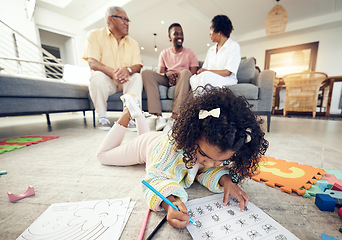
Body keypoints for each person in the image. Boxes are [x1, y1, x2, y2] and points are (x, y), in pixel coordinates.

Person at [97, 85, 269, 229]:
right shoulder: (169, 152)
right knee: (104, 156)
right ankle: (128, 113)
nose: (209, 164)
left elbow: (206, 170)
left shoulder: (212, 150)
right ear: (191, 136)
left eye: (220, 160)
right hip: (147, 145)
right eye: (203, 155)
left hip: (158, 140)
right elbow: (156, 178)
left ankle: (138, 113)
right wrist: (169, 203)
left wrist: (227, 181)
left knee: (209, 161)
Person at [83, 6, 143, 130]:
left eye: (128, 21)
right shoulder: (94, 35)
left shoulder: (133, 43)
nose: (127, 23)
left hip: (126, 79)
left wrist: (127, 70)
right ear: (111, 19)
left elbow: (137, 66)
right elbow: (92, 62)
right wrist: (112, 72)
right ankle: (102, 116)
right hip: (107, 79)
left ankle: (130, 117)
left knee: (136, 77)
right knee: (97, 77)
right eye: (124, 19)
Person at [142, 23, 198, 131]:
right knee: (146, 73)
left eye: (181, 34)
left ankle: (174, 117)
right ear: (169, 36)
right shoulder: (164, 53)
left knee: (185, 72)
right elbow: (161, 72)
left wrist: (179, 74)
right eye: (176, 34)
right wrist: (167, 74)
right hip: (168, 79)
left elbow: (193, 74)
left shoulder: (190, 53)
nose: (180, 36)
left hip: (183, 79)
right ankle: (159, 117)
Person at [190, 15, 241, 92]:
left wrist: (207, 72)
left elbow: (227, 72)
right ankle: (199, 102)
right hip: (209, 78)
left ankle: (200, 102)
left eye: (211, 29)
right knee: (193, 78)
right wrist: (202, 72)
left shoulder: (233, 46)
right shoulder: (211, 50)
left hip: (227, 79)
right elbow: (204, 70)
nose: (209, 33)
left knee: (205, 76)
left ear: (219, 32)